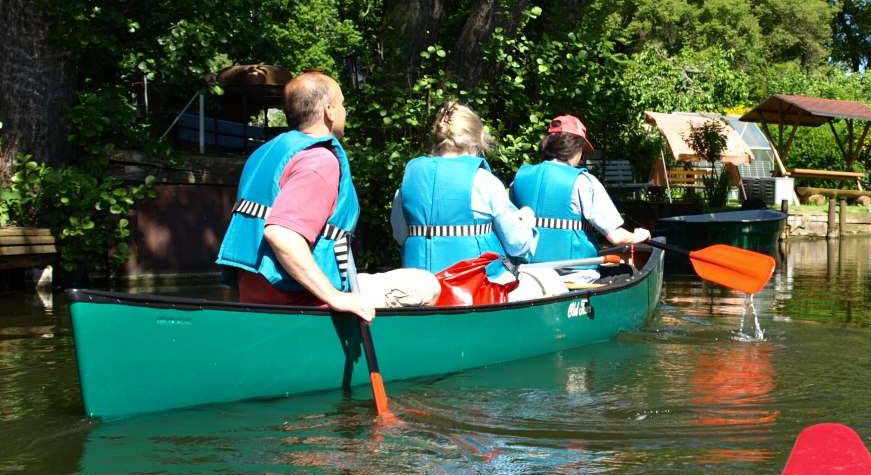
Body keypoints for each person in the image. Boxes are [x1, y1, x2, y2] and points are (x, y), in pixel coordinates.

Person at [215, 71, 376, 321]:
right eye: (343, 104)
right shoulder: (319, 160)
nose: (346, 111)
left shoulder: (265, 153)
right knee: (424, 285)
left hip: (258, 302)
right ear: (329, 110)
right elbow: (282, 234)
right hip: (300, 302)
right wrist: (335, 296)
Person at [392, 101, 538, 272]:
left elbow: (400, 235)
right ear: (474, 145)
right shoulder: (484, 181)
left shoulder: (409, 182)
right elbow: (516, 244)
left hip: (420, 286)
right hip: (477, 288)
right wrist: (527, 222)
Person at [510, 114, 651, 266]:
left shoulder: (519, 178)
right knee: (626, 272)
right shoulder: (583, 181)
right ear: (576, 148)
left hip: (525, 270)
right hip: (574, 273)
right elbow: (616, 237)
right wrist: (639, 236)